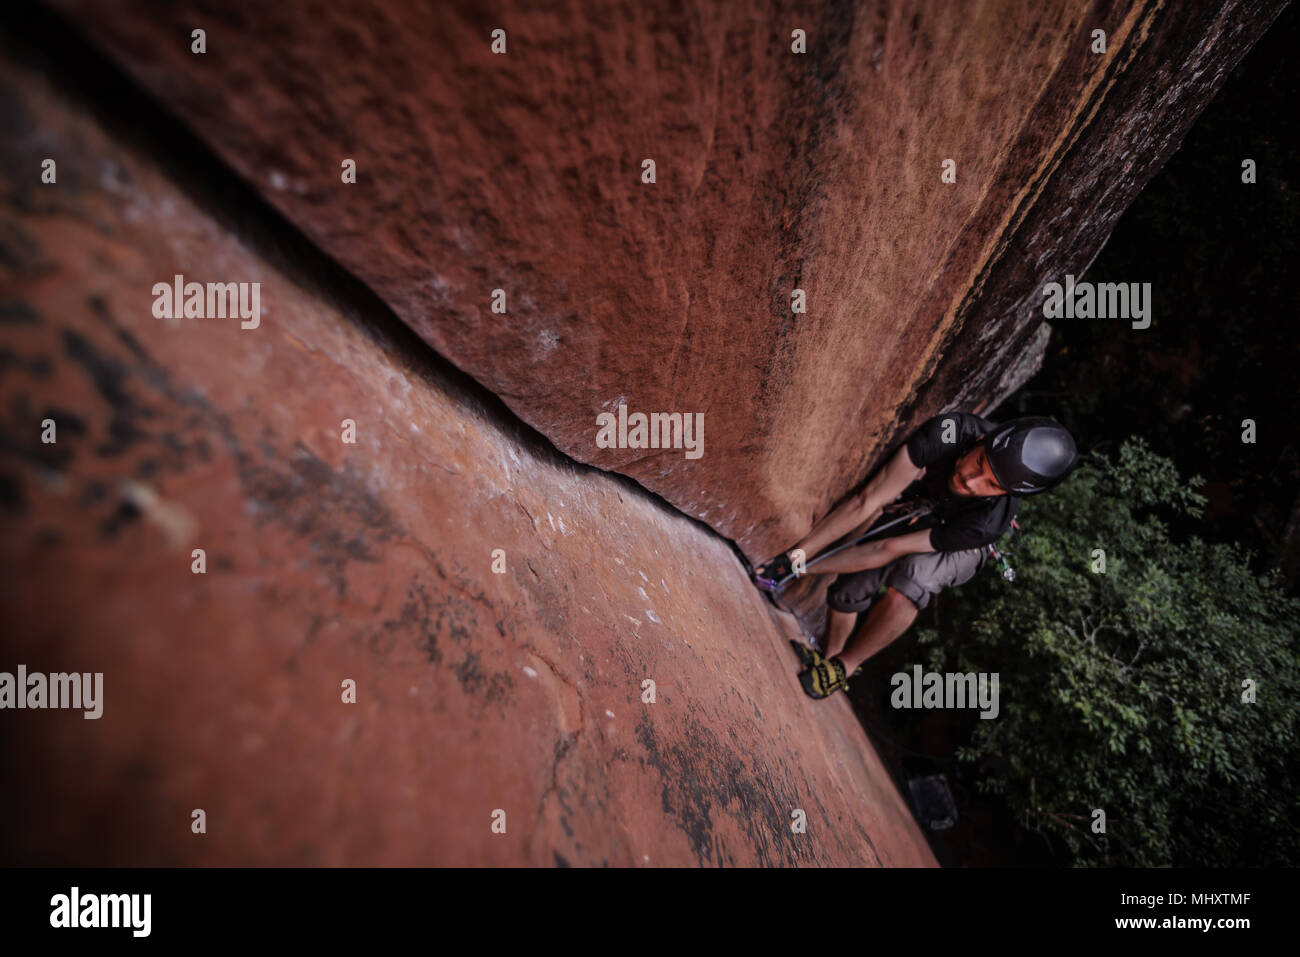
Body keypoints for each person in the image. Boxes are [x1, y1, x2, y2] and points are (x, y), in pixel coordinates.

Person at [755, 413, 1077, 699]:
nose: (971, 480)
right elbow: (867, 500)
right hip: (931, 504)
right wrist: (796, 555)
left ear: (1007, 494)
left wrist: (800, 567)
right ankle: (830, 661)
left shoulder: (987, 523)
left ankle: (845, 666)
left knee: (914, 577)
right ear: (981, 440)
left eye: (991, 484)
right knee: (847, 590)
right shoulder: (951, 431)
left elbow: (888, 550)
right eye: (979, 463)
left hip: (962, 541)